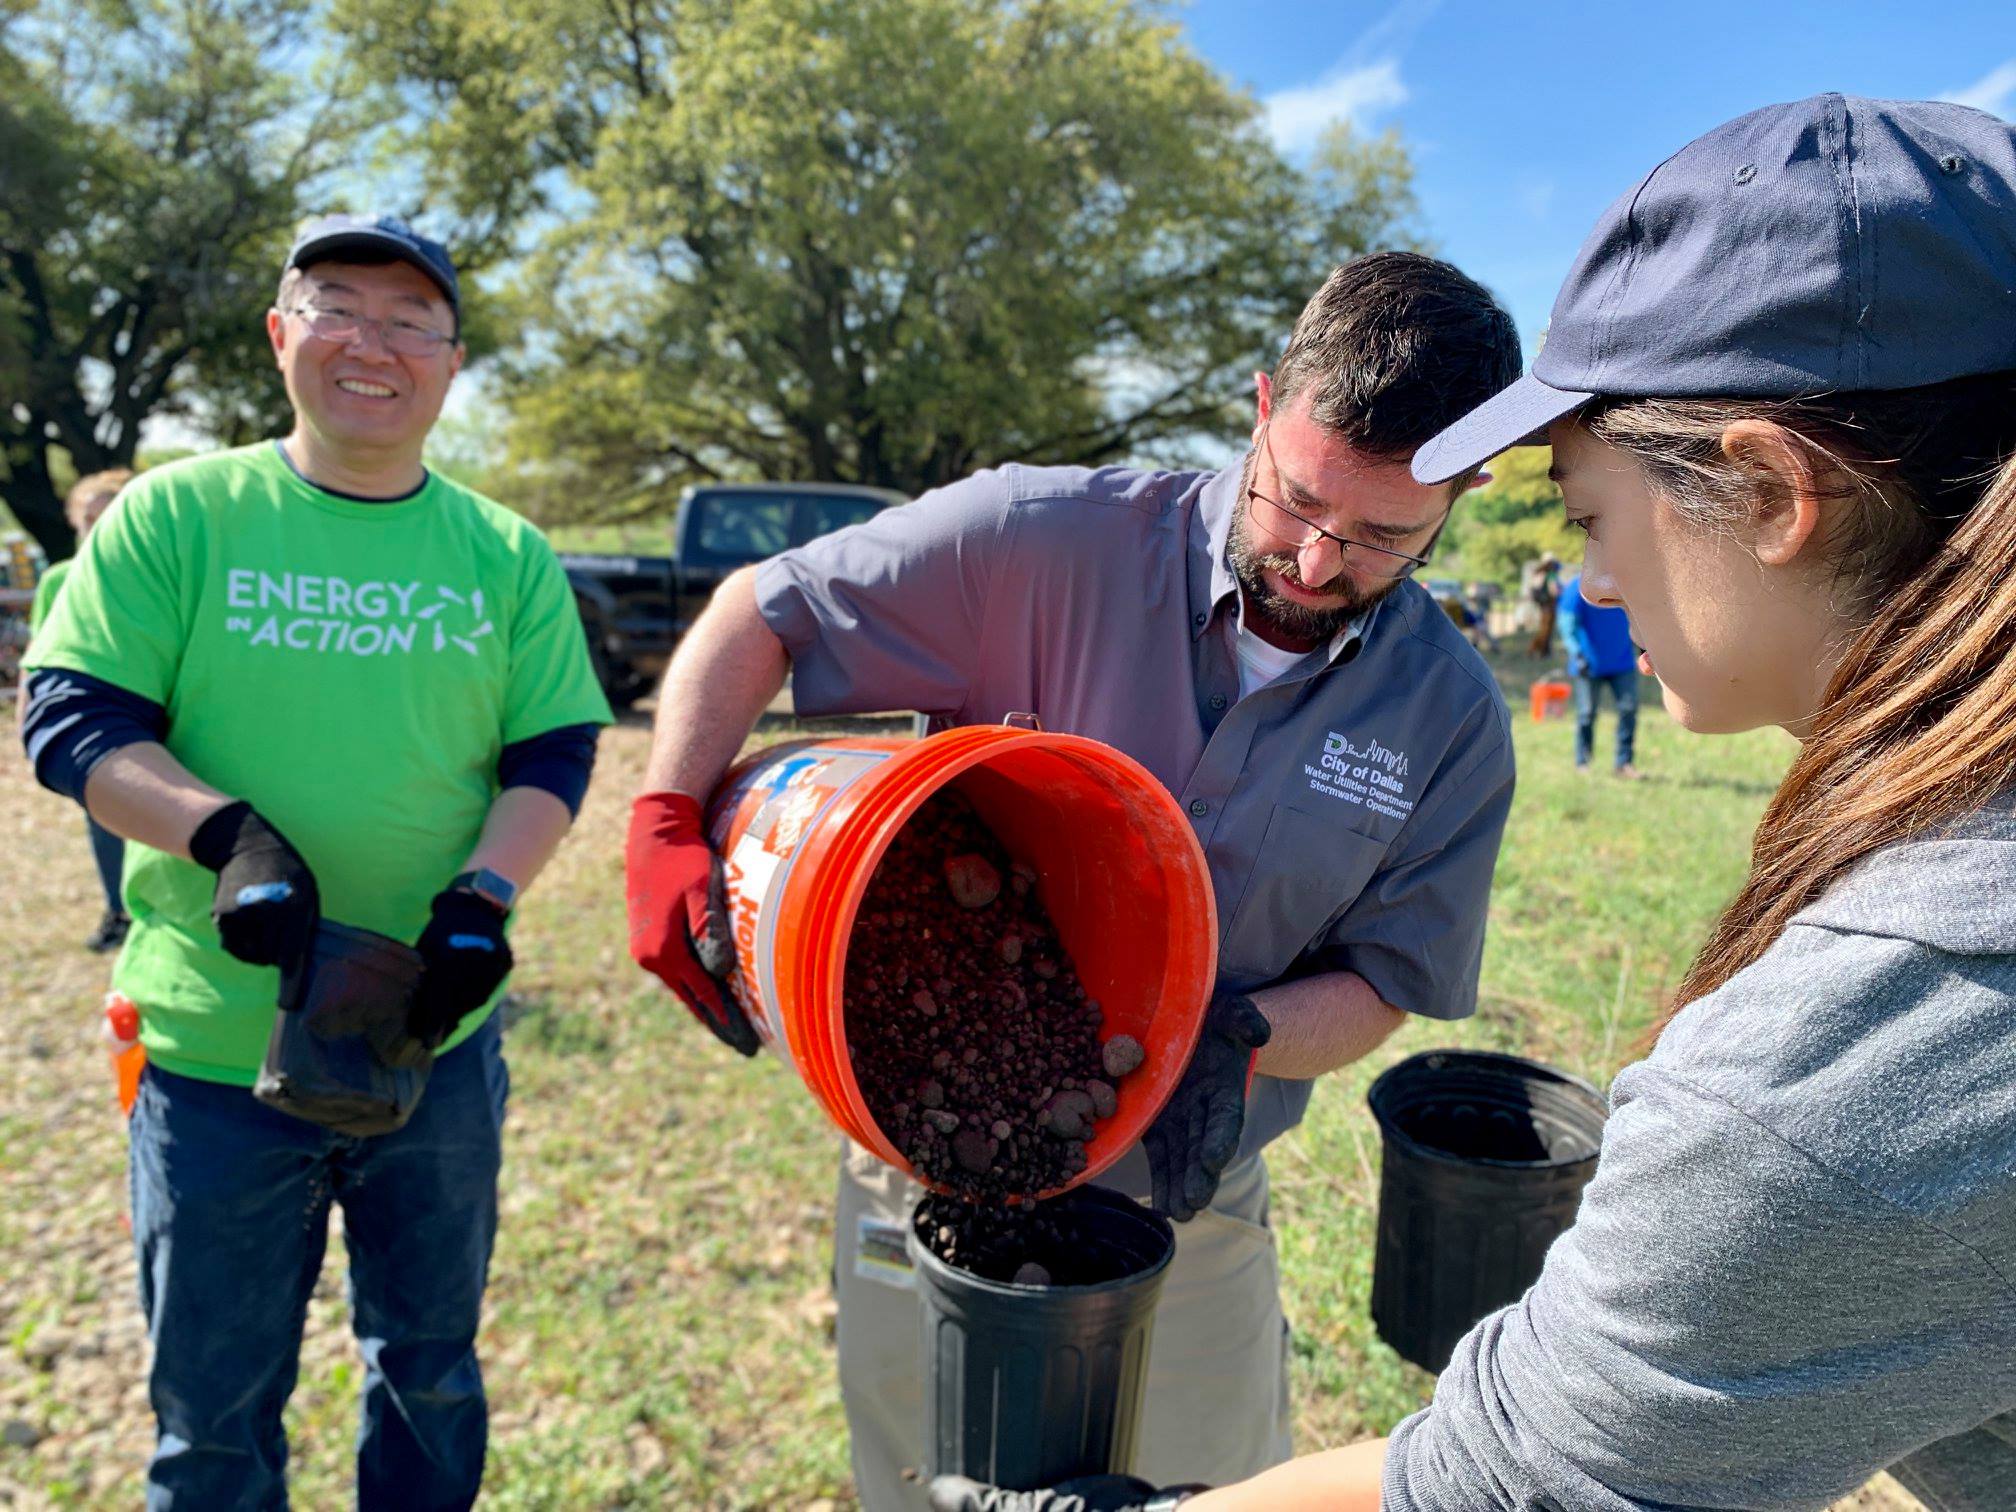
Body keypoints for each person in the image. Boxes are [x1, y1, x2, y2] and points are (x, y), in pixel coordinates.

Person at [931, 93, 2016, 1512]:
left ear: (1765, 493)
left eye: (1586, 518)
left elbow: (1511, 1480)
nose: (1600, 586)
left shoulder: (1862, 1053)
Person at [625, 250, 1524, 1504]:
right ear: (1263, 407)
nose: (1318, 565)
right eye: (1296, 502)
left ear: (1468, 490)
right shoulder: (1037, 539)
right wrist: (667, 814)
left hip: (1187, 1212)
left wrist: (1231, 1037)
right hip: (928, 1167)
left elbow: (1386, 979)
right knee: (921, 1479)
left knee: (1207, 1491)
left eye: (1383, 535)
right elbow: (761, 611)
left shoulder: (1451, 718)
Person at [19, 212, 612, 1509]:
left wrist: (483, 898)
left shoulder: (503, 553)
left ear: (452, 364)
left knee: (432, 1373)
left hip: (432, 1042)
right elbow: (73, 720)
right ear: (282, 332)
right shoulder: (178, 515)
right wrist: (226, 836)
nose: (373, 344)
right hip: (217, 1053)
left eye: (411, 322)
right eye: (339, 305)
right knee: (213, 1414)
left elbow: (555, 751)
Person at [25, 468, 135, 950]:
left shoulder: (154, 573)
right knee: (105, 814)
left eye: (110, 516)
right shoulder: (58, 581)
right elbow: (41, 657)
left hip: (154, 708)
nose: (99, 526)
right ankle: (118, 911)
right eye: (90, 517)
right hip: (98, 716)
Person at [1556, 569, 1639, 777]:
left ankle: (1624, 763)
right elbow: (1566, 623)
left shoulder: (1626, 585)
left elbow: (1639, 618)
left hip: (1622, 662)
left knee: (1629, 709)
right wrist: (1577, 653)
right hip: (1589, 664)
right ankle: (1583, 761)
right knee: (1587, 713)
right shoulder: (1578, 587)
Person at [1524, 550, 1561, 655]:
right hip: (1549, 604)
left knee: (1544, 627)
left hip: (1542, 603)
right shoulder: (1551, 573)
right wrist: (1561, 592)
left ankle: (1544, 651)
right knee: (1546, 629)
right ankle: (1534, 649)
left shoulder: (1539, 572)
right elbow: (1553, 590)